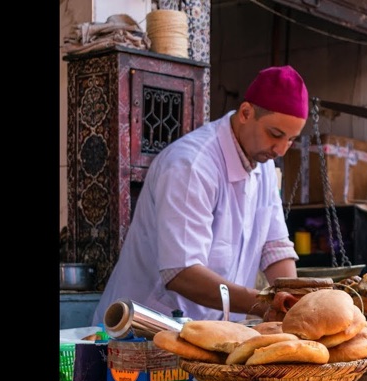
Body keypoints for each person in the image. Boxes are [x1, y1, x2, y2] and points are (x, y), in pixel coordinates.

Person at [91, 65, 309, 325]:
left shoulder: (263, 166)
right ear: (246, 113)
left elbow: (276, 250)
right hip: (144, 330)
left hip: (205, 333)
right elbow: (181, 272)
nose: (281, 150)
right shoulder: (191, 165)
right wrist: (263, 303)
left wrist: (297, 305)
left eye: (291, 140)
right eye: (275, 134)